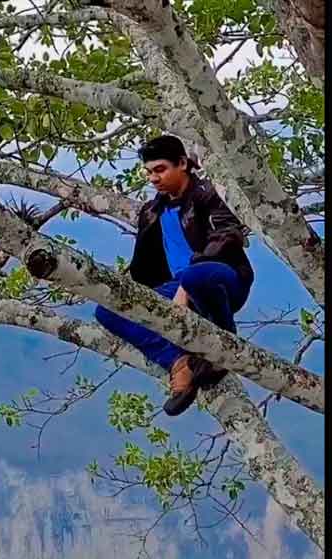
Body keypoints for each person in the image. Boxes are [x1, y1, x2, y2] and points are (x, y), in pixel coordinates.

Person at [94, 135, 253, 416]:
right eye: (149, 172)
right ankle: (178, 363)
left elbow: (228, 236)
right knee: (107, 309)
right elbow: (144, 266)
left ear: (182, 164)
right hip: (175, 287)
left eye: (160, 170)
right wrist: (133, 296)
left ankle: (223, 343)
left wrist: (185, 285)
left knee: (194, 279)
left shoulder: (210, 195)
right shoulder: (152, 211)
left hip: (221, 279)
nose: (153, 178)